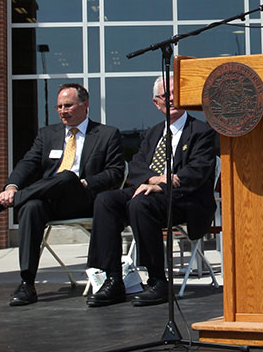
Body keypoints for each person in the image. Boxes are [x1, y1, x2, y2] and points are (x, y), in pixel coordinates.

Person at [0, 83, 124, 306]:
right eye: (58, 106)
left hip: (85, 199)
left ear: (85, 105)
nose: (62, 111)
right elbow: (28, 164)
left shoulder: (107, 134)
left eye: (68, 105)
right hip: (51, 201)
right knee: (31, 207)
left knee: (68, 177)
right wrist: (11, 186)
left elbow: (115, 173)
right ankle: (27, 283)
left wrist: (86, 181)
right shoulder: (47, 134)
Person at [84, 77, 219, 307]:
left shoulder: (202, 130)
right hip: (151, 193)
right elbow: (136, 166)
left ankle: (157, 281)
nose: (173, 99)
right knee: (106, 200)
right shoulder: (152, 133)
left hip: (184, 199)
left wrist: (164, 185)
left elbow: (200, 170)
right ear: (157, 103)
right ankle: (113, 279)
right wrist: (151, 179)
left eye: (177, 93)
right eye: (166, 96)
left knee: (141, 203)